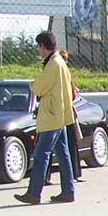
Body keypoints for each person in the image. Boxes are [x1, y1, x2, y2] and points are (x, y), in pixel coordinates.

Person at [14, 30, 75, 204]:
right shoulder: (60, 62)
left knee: (41, 155)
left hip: (51, 117)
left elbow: (40, 87)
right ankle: (68, 191)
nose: (38, 50)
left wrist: (32, 85)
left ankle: (34, 193)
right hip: (60, 115)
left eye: (38, 47)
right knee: (63, 155)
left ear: (42, 46)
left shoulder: (53, 64)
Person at [46, 49, 82, 185]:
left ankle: (45, 176)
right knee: (70, 144)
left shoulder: (50, 71)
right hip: (66, 112)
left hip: (52, 113)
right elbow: (73, 94)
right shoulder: (66, 73)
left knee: (47, 145)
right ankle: (74, 174)